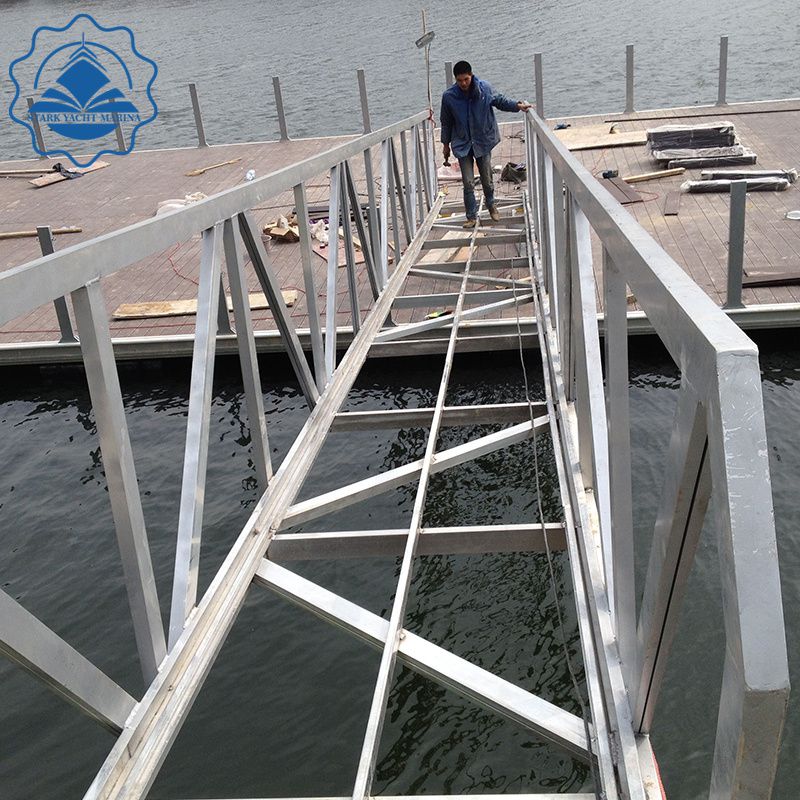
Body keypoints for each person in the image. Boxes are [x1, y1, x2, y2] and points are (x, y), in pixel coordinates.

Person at [440, 61, 532, 227]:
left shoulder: (484, 89)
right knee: (468, 182)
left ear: (471, 75)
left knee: (487, 178)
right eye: (459, 80)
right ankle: (471, 216)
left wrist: (517, 106)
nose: (463, 83)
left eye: (466, 79)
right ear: (455, 79)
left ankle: (491, 204)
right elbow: (446, 122)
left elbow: (500, 101)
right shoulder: (449, 97)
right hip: (462, 142)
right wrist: (445, 144)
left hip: (482, 140)